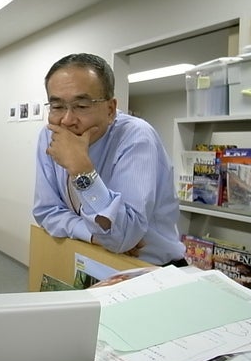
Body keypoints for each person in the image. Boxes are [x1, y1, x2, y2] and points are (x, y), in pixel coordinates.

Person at [33, 53, 186, 266]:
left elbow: (122, 237)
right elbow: (46, 211)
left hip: (149, 269)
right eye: (57, 106)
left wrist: (81, 170)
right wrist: (94, 236)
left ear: (110, 109)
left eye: (81, 106)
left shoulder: (136, 137)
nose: (67, 120)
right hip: (88, 258)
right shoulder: (50, 135)